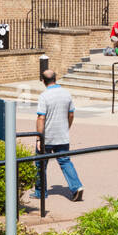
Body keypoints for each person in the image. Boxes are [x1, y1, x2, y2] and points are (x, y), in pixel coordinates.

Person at [34, 69, 83, 202]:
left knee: (40, 163)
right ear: (56, 78)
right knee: (65, 161)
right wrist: (67, 128)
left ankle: (40, 192)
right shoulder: (66, 94)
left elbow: (41, 118)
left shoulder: (44, 96)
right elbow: (71, 114)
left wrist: (39, 138)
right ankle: (76, 186)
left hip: (48, 137)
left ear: (43, 81)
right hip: (62, 135)